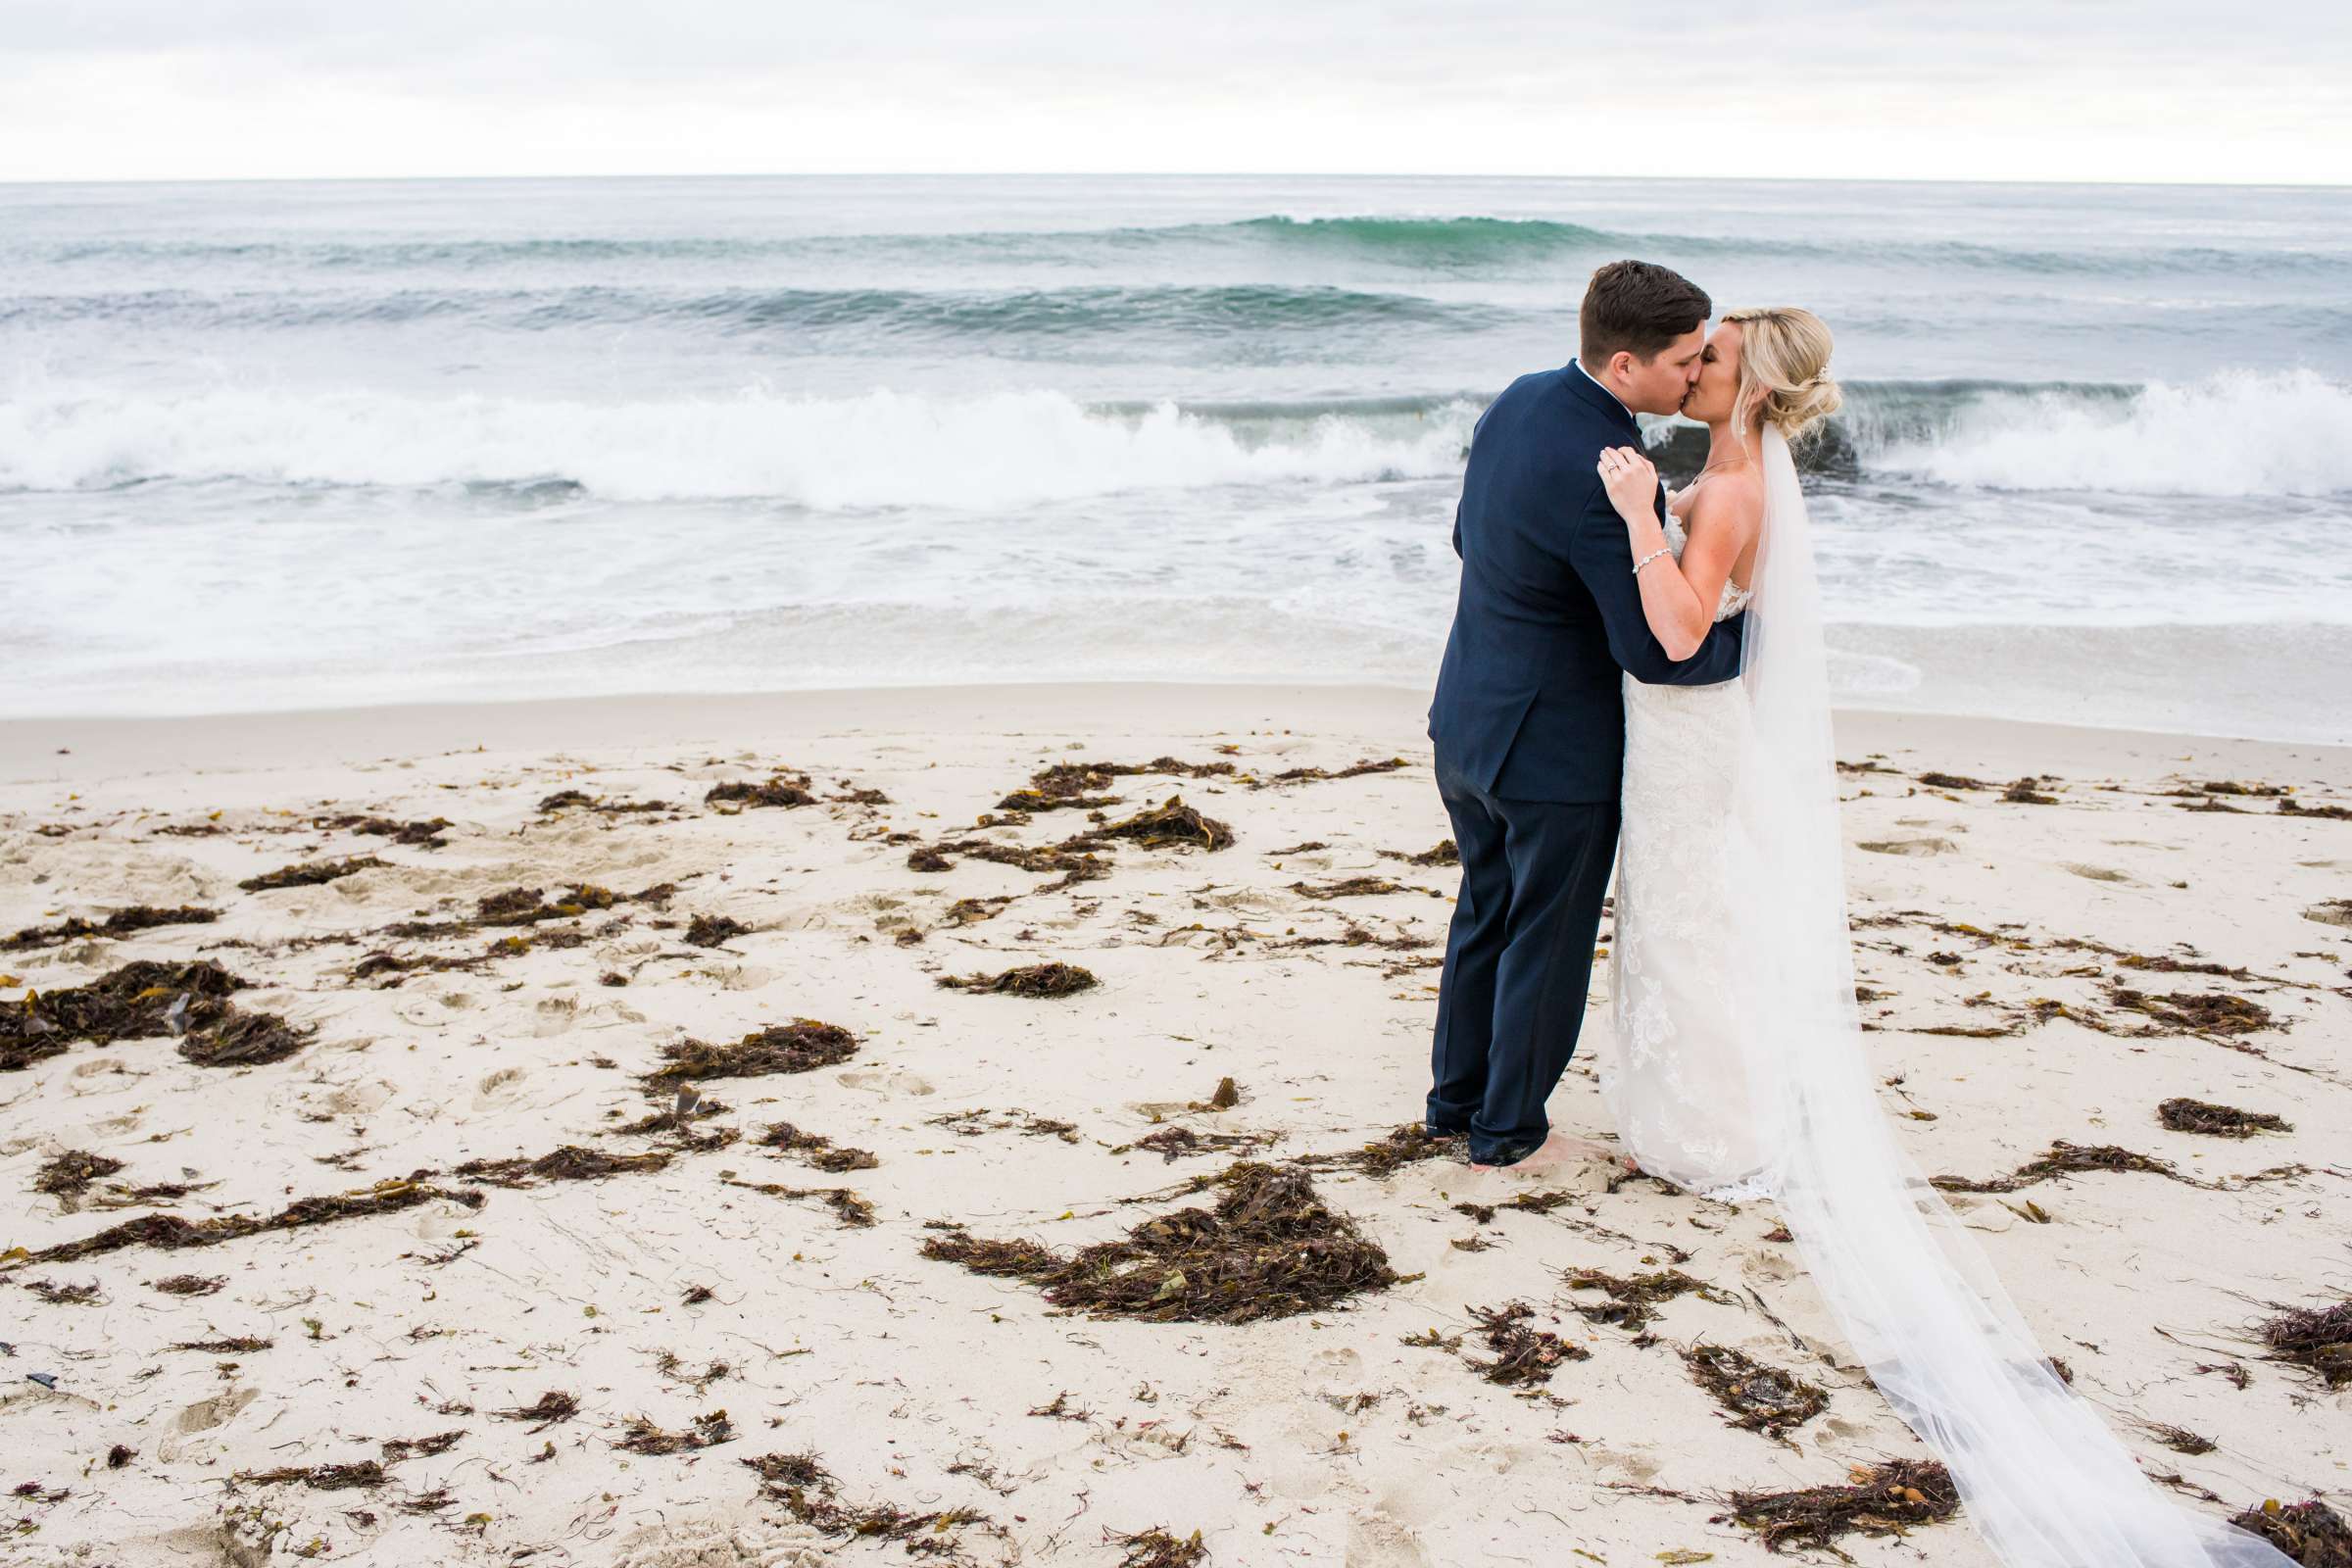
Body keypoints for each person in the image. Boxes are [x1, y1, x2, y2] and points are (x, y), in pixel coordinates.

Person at [1587, 305, 2297, 1567]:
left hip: (1693, 741)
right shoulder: (1738, 467)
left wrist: (1645, 516)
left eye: (1713, 358)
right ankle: (1697, 1113)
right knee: (1688, 920)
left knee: (1692, 924)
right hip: (1686, 738)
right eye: (1692, 352)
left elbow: (1688, 626)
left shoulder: (1736, 484)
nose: (1692, 368)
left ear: (1746, 385)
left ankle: (1714, 1131)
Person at [1423, 259, 1744, 1173]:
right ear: (1625, 367)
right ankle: (1508, 1131)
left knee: (1485, 913)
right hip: (1550, 750)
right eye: (1684, 359)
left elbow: (1464, 538)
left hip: (1467, 716)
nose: (1694, 374)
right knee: (1548, 941)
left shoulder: (1519, 400)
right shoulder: (1613, 472)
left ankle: (1454, 1106)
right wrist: (1750, 644)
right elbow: (1653, 651)